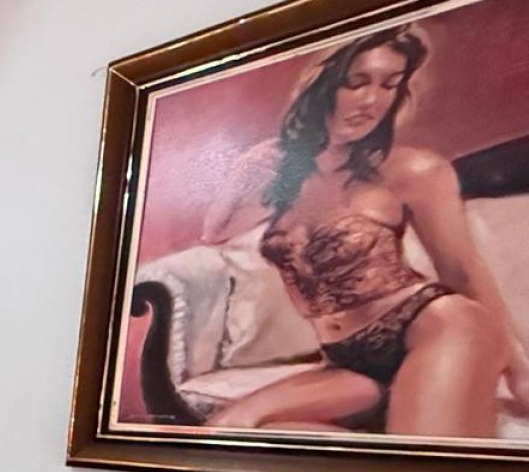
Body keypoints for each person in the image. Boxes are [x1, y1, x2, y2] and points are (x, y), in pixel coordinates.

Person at [201, 24, 529, 437]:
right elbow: (215, 232)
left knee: (420, 460)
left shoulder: (412, 170)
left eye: (389, 85)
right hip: (347, 361)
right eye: (356, 83)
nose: (372, 101)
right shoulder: (281, 175)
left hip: (438, 327)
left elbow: (462, 271)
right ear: (321, 86)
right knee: (228, 428)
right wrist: (248, 165)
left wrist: (520, 373)